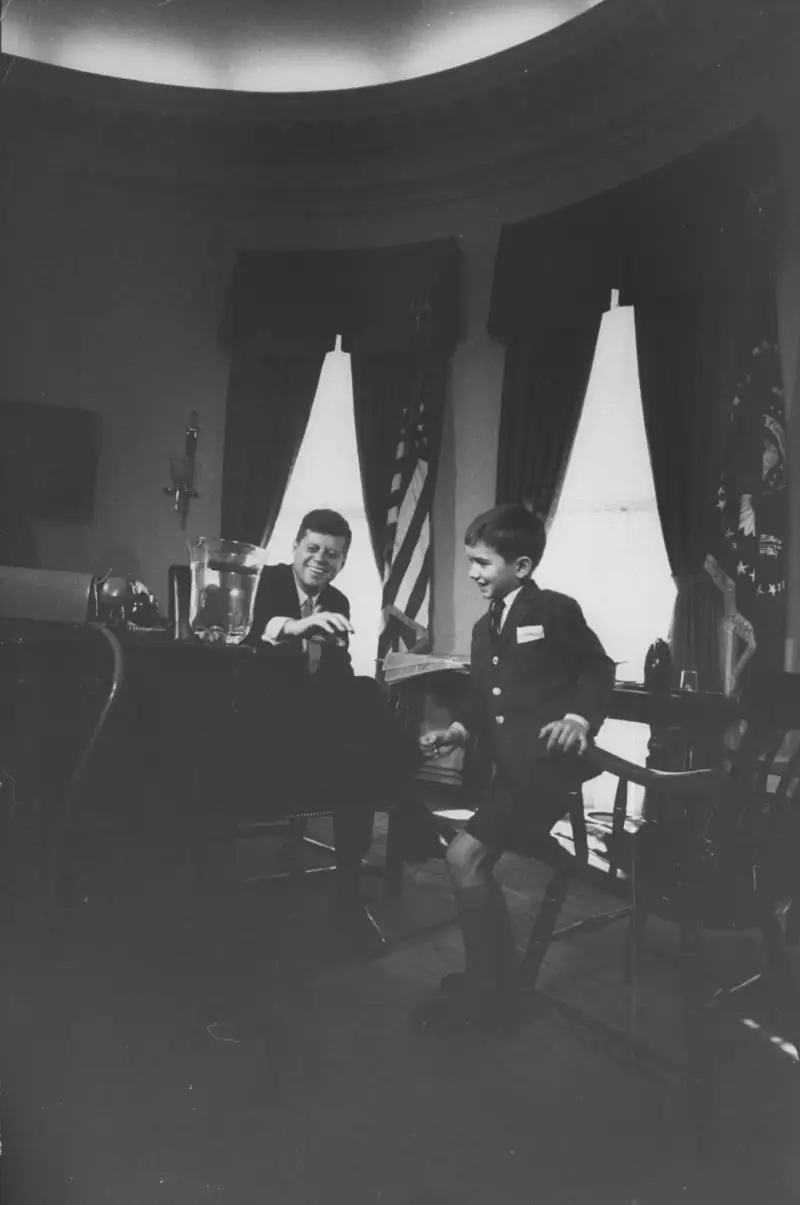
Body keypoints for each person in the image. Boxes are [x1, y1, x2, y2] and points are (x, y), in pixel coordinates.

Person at [412, 504, 615, 1034]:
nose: (475, 573)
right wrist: (457, 731)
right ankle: (494, 981)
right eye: (471, 562)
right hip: (511, 774)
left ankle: (487, 997)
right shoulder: (485, 628)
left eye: (483, 563)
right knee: (472, 863)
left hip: (547, 771)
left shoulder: (554, 610)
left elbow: (597, 667)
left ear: (521, 567)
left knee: (463, 857)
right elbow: (484, 698)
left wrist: (578, 717)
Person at [246, 509, 425, 958]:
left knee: (363, 704)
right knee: (359, 741)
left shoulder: (338, 601)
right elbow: (247, 631)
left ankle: (348, 884)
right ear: (295, 549)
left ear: (342, 561)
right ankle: (409, 808)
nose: (320, 560)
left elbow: (337, 673)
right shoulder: (261, 583)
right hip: (261, 717)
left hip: (319, 724)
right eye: (313, 549)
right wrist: (293, 626)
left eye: (332, 554)